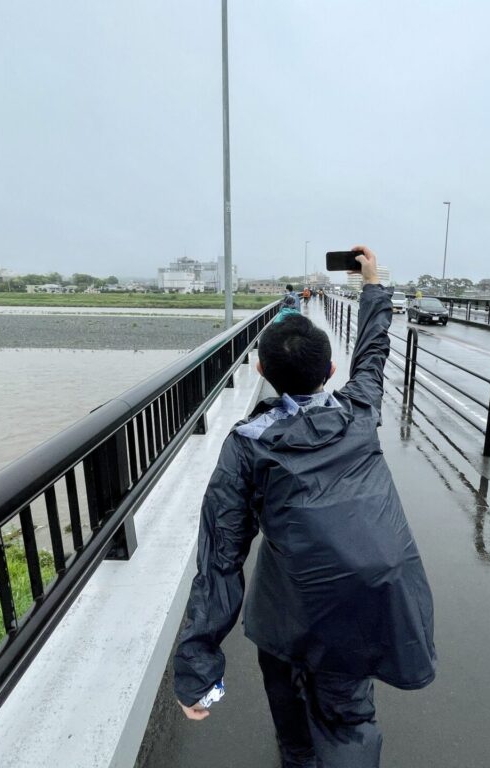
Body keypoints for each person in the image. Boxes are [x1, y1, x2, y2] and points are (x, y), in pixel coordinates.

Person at [173, 246, 436, 768]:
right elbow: (374, 350)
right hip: (364, 599)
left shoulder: (249, 442)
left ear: (261, 369)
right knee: (348, 717)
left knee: (289, 709)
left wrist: (197, 664)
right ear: (331, 370)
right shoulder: (359, 408)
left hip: (287, 607)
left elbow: (221, 556)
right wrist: (373, 284)